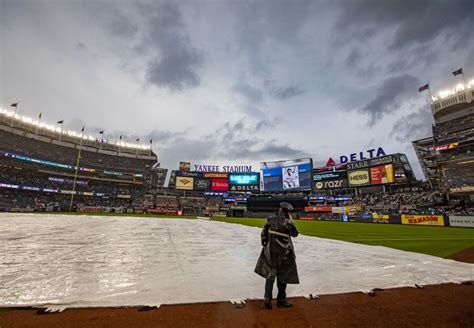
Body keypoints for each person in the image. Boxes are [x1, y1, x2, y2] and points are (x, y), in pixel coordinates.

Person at [255, 202, 299, 309]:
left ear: (280, 210)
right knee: (282, 277)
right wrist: (290, 221)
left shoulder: (271, 220)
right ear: (287, 212)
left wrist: (265, 243)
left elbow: (264, 233)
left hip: (271, 252)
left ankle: (267, 298)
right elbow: (295, 234)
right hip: (285, 254)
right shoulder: (288, 223)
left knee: (270, 275)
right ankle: (281, 301)